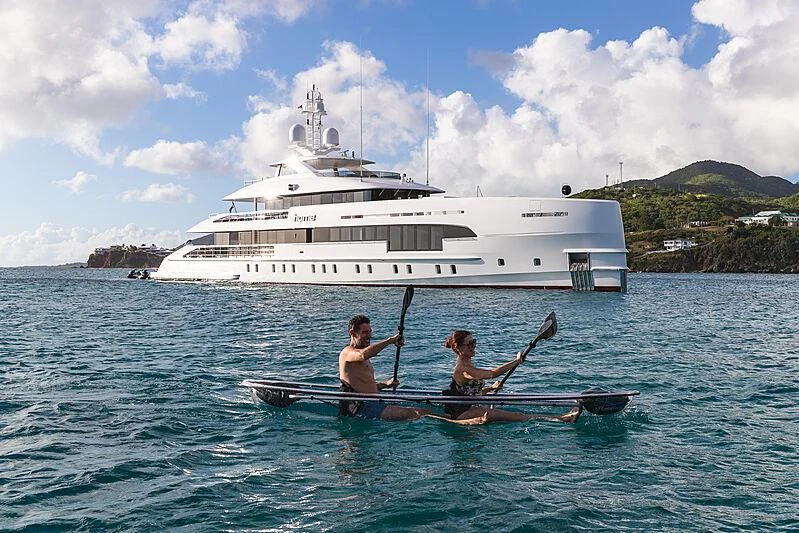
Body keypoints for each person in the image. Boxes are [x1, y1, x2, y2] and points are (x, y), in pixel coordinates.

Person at [442, 330, 582, 423]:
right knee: (517, 416)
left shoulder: (468, 363)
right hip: (463, 412)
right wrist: (516, 361)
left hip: (468, 406)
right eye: (470, 343)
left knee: (512, 415)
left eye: (475, 342)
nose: (474, 346)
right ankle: (562, 419)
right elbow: (492, 373)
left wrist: (490, 389)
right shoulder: (463, 369)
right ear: (458, 348)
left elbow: (467, 393)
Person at [339, 314, 432, 421]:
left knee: (422, 411)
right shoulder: (347, 352)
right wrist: (390, 341)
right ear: (352, 333)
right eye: (364, 332)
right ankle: (453, 422)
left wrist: (386, 385)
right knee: (417, 413)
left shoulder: (362, 355)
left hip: (375, 403)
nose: (369, 335)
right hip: (362, 407)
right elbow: (363, 355)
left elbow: (363, 385)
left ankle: (451, 419)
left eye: (370, 332)